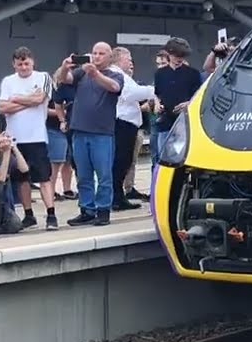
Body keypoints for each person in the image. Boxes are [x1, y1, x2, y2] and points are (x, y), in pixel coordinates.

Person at [54, 43, 123, 227]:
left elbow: (114, 87)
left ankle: (103, 210)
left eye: (101, 53)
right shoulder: (81, 73)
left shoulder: (115, 74)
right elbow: (65, 79)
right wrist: (64, 67)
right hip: (79, 131)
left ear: (110, 57)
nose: (97, 56)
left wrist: (96, 74)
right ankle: (86, 209)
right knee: (83, 174)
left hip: (102, 133)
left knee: (103, 174)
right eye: (94, 53)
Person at [0, 47, 58, 230]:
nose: (23, 67)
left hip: (37, 136)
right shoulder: (8, 81)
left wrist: (15, 99)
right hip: (15, 138)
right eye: (19, 64)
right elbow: (1, 107)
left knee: (44, 177)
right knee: (21, 178)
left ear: (33, 62)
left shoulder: (43, 77)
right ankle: (28, 214)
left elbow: (40, 99)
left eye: (26, 64)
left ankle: (51, 214)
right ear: (14, 65)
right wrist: (28, 102)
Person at [107, 47, 154, 211]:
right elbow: (133, 93)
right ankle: (116, 198)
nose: (131, 62)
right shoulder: (119, 75)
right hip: (123, 123)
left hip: (126, 124)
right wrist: (153, 90)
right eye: (129, 59)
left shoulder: (121, 75)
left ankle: (118, 196)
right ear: (119, 59)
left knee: (123, 161)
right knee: (121, 161)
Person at [152, 38, 201, 177]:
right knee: (162, 159)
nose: (179, 59)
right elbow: (156, 93)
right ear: (169, 54)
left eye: (182, 56)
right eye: (176, 56)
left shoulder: (192, 74)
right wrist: (157, 104)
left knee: (183, 160)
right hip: (165, 121)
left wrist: (188, 103)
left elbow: (198, 96)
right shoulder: (160, 74)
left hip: (184, 123)